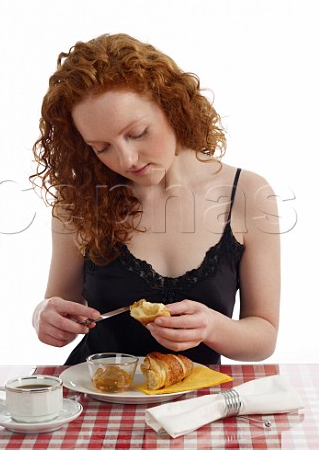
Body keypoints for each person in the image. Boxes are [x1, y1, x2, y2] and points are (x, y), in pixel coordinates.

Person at [31, 33, 280, 365]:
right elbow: (60, 303)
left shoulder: (248, 194)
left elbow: (263, 337)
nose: (127, 159)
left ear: (172, 107)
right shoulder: (77, 203)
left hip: (193, 409)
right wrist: (43, 315)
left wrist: (212, 326)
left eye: (137, 134)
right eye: (101, 147)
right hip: (95, 400)